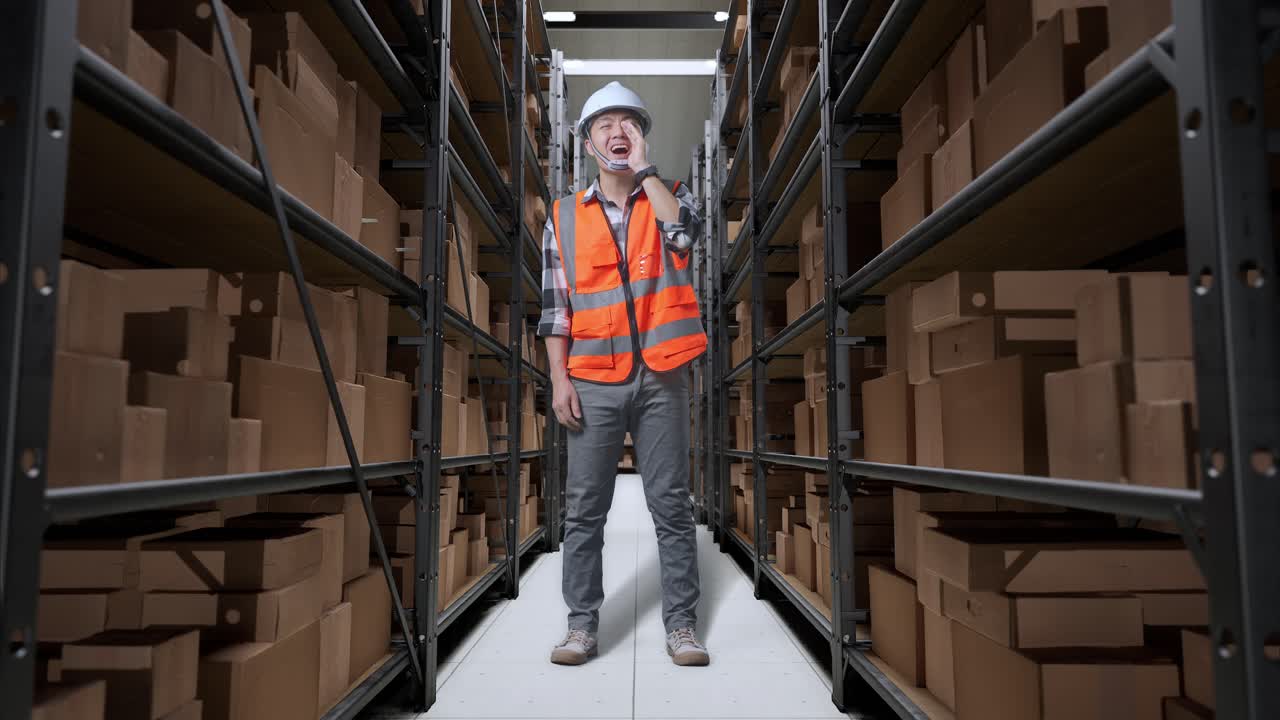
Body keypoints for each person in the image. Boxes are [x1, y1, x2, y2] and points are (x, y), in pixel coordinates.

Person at [537, 82, 709, 667]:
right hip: (591, 378)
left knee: (671, 506)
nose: (617, 132)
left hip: (662, 377)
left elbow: (684, 236)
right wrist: (559, 379)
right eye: (605, 125)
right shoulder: (562, 215)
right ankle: (581, 626)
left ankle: (682, 627)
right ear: (587, 143)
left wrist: (646, 172)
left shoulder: (670, 196)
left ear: (640, 138)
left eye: (629, 124)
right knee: (584, 510)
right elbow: (555, 308)